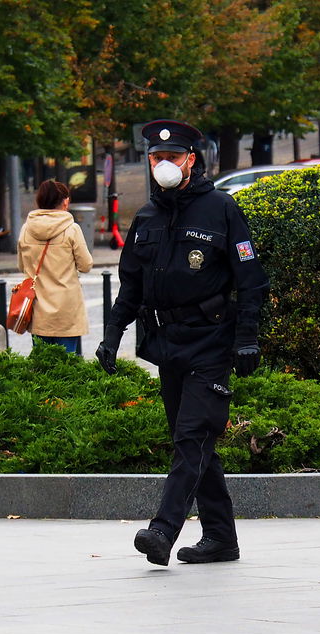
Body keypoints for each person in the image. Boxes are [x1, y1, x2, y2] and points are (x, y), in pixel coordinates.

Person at [96, 119, 268, 566]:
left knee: (192, 437)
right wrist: (112, 336)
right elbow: (130, 284)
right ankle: (221, 537)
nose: (164, 165)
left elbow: (251, 281)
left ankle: (163, 530)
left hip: (211, 341)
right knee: (193, 440)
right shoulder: (147, 217)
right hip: (166, 343)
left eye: (172, 157)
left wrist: (247, 338)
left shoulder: (222, 209)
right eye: (157, 158)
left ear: (192, 159)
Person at [16, 180, 93, 352]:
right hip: (66, 310)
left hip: (37, 309)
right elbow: (86, 265)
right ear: (65, 201)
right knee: (67, 367)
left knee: (42, 367)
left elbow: (22, 266)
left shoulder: (26, 229)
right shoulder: (71, 229)